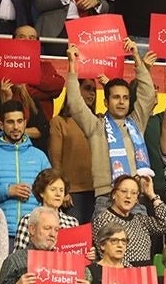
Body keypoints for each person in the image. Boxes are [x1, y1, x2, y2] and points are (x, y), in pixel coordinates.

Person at [64, 40, 155, 210]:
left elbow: (148, 95)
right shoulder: (95, 125)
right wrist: (72, 64)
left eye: (125, 98)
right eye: (116, 97)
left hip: (135, 197)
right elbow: (75, 103)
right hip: (106, 197)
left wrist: (136, 57)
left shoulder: (136, 123)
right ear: (106, 102)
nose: (121, 102)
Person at [0, 100, 50, 243]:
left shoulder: (40, 156)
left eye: (20, 121)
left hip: (33, 235)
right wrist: (7, 191)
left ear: (25, 122)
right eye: (10, 122)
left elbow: (50, 194)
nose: (16, 127)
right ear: (0, 124)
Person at [49, 77, 95, 224]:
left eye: (94, 90)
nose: (92, 93)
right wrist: (64, 190)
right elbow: (55, 161)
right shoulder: (60, 122)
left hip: (96, 193)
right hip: (72, 194)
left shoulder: (97, 121)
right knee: (73, 241)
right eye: (87, 88)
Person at [14, 168, 80, 250]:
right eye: (53, 190)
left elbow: (77, 254)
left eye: (61, 190)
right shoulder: (28, 219)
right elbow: (18, 256)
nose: (58, 194)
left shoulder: (72, 222)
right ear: (41, 192)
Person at [0, 74, 51, 151]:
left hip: (29, 152)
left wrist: (18, 131)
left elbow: (43, 130)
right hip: (2, 151)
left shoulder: (31, 99)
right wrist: (7, 99)